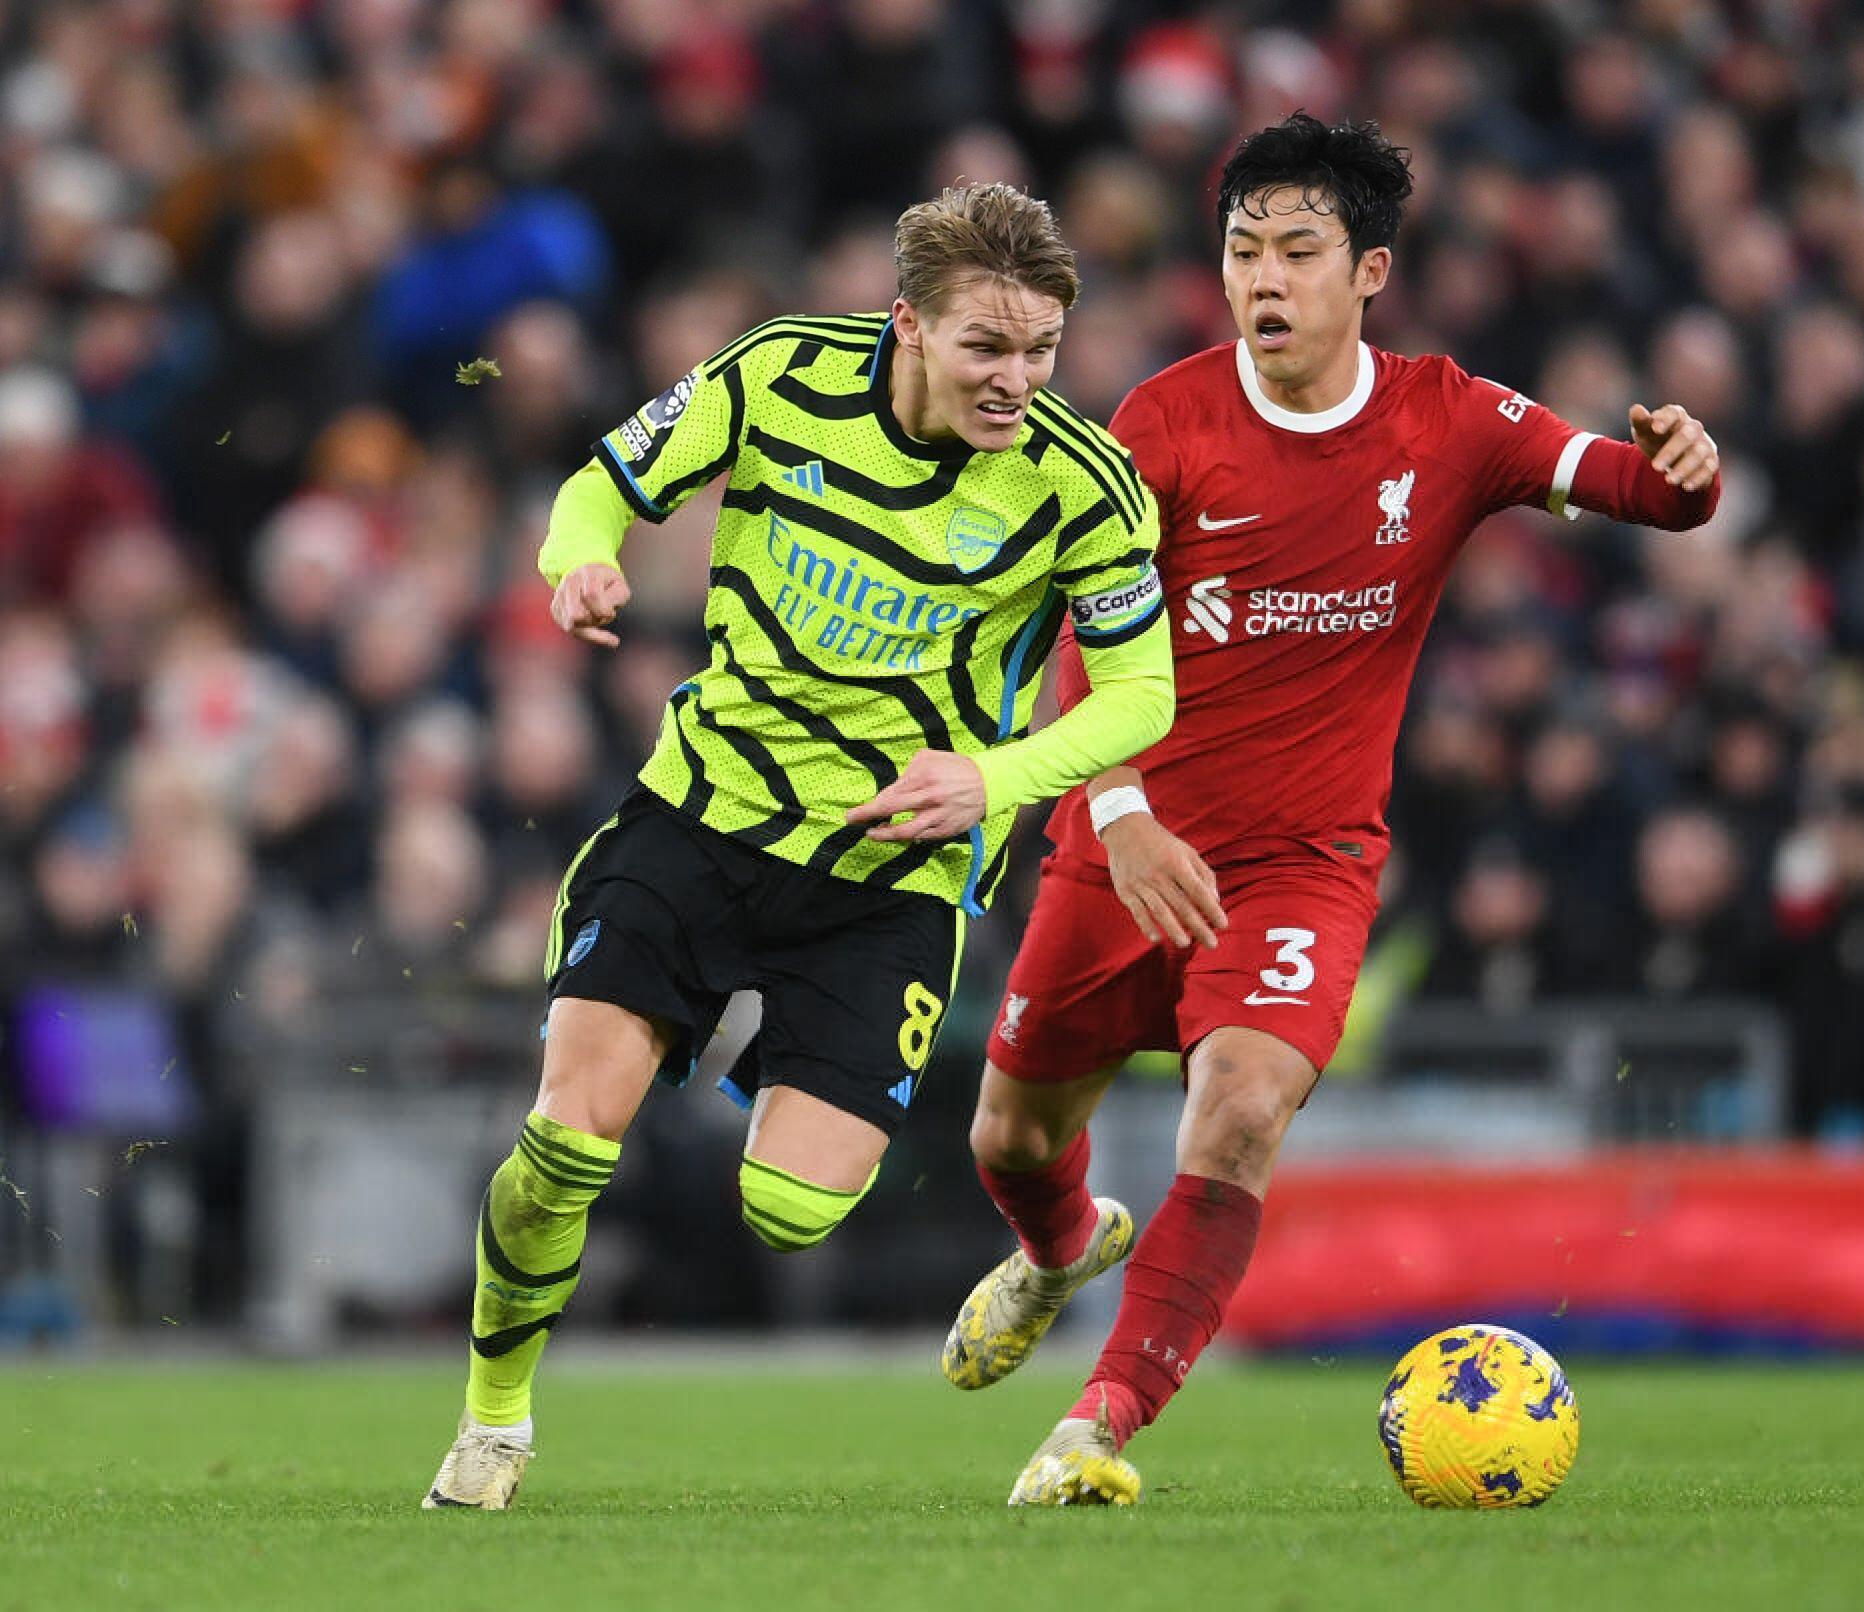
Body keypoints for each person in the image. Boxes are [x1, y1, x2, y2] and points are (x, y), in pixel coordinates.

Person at [942, 115, 1722, 1507]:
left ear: (1369, 271)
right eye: (1244, 249)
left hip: (1300, 868)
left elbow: (1617, 485)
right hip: (1124, 846)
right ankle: (1060, 1250)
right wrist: (1119, 815)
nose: (1265, 277)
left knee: (1238, 1114)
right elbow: (1082, 633)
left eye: (1297, 250)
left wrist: (1681, 478)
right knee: (1007, 1140)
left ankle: (1096, 1426)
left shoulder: (1447, 417)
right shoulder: (1166, 422)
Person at [423, 183, 1175, 1509]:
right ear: (908, 327)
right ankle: (493, 1424)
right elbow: (601, 487)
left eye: (1041, 350)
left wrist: (991, 780)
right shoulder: (779, 376)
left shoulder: (1084, 488)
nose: (1017, 380)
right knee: (567, 1145)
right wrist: (578, 561)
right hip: (702, 817)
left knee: (788, 1211)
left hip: (889, 881)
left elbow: (1141, 696)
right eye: (986, 349)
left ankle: (1060, 1240)